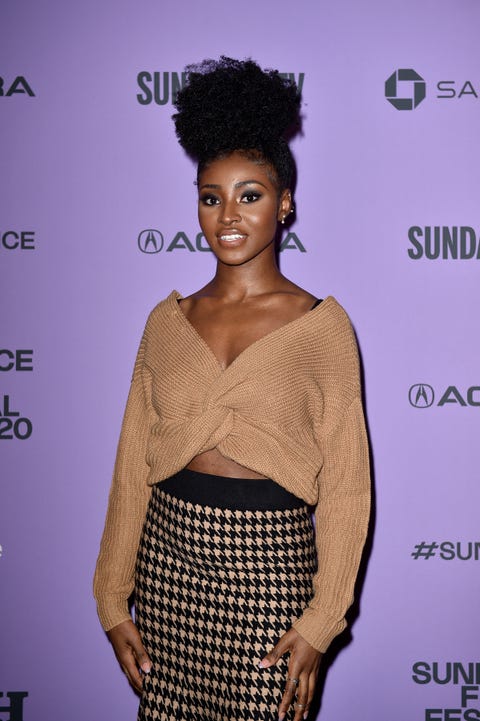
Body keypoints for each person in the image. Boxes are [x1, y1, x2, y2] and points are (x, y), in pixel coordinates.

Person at [93, 57, 371, 721]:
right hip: (170, 562)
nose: (228, 214)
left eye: (250, 194)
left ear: (285, 202)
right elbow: (133, 464)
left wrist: (321, 617)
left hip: (269, 568)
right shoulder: (167, 321)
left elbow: (349, 485)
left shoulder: (320, 326)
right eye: (211, 196)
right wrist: (111, 596)